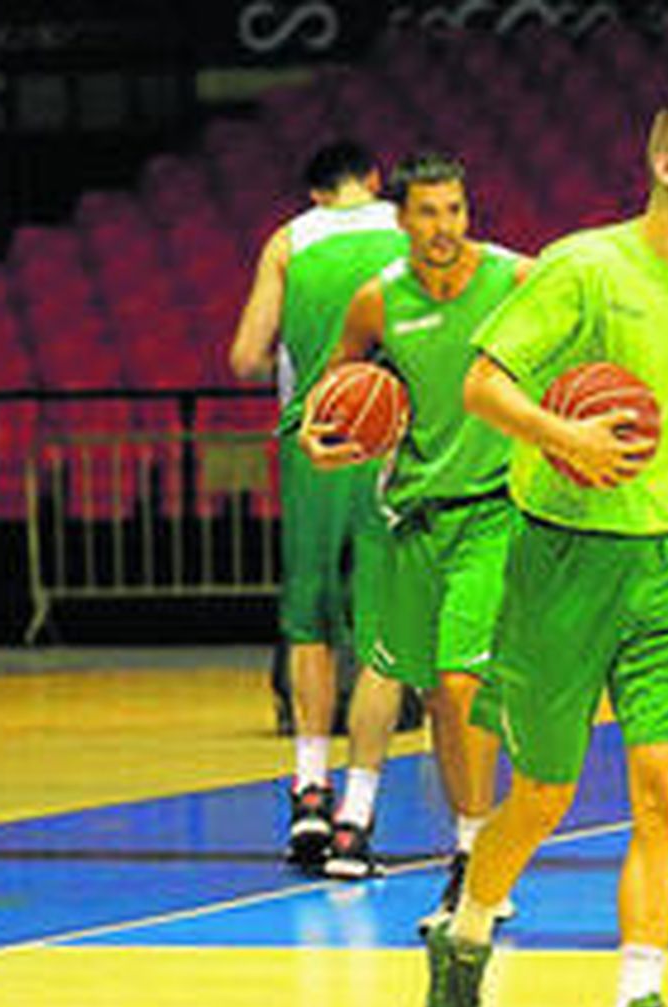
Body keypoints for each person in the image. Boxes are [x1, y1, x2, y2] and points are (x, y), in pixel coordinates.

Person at [426, 98, 668, 1007]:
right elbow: (482, 384)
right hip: (565, 558)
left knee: (665, 786)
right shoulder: (584, 265)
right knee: (542, 793)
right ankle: (464, 934)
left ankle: (641, 996)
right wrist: (560, 435)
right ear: (667, 167)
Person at [297, 153, 529, 912]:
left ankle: (475, 857)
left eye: (456, 211)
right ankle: (464, 842)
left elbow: (588, 307)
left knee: (463, 682)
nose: (444, 228)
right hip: (414, 516)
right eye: (429, 213)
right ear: (402, 220)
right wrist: (315, 434)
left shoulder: (512, 277)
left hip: (493, 511)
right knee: (432, 694)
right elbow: (333, 386)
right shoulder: (378, 301)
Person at [228, 140, 405, 872]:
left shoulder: (288, 239)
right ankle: (355, 817)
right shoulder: (411, 229)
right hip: (393, 449)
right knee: (383, 633)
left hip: (311, 443)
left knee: (309, 620)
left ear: (315, 193)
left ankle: (308, 790)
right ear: (373, 179)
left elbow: (244, 356)